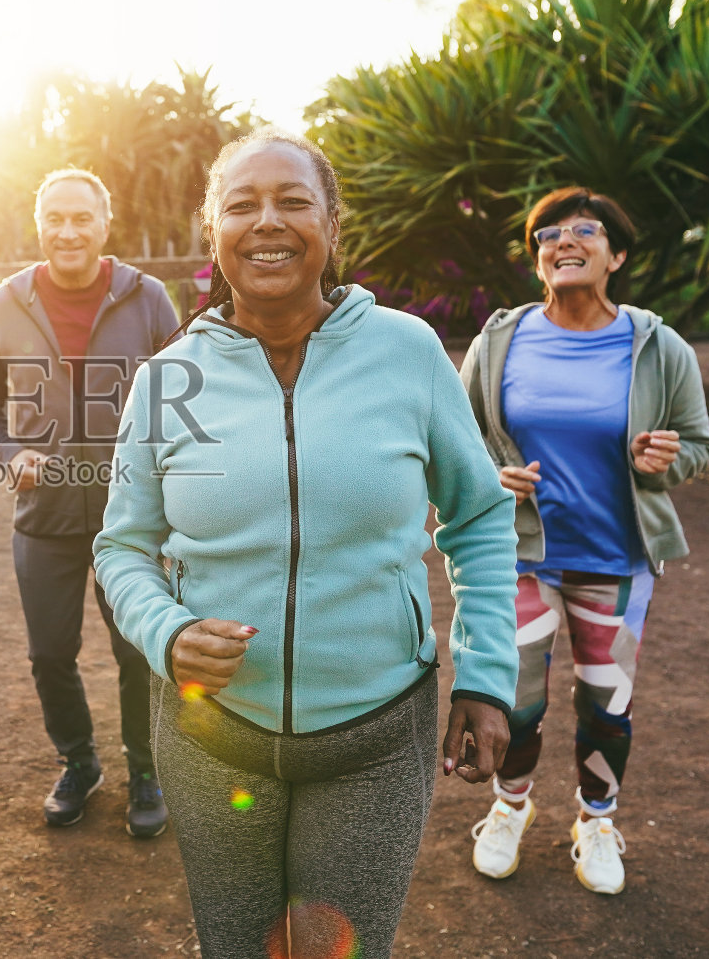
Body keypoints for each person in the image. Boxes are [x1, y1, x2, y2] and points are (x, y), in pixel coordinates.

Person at [93, 129, 520, 959]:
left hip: (374, 737)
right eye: (242, 205)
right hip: (212, 736)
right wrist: (167, 633)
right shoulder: (165, 380)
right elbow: (122, 547)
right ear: (211, 231)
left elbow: (477, 515)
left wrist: (489, 673)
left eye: (292, 201)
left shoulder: (407, 352)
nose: (268, 222)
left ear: (331, 222)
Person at [459, 187, 709, 895]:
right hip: (520, 554)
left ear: (616, 254)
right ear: (538, 259)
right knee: (518, 698)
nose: (563, 241)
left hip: (616, 558)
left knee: (607, 700)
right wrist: (489, 471)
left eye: (584, 230)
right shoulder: (500, 339)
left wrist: (667, 458)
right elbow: (455, 439)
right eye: (548, 234)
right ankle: (509, 808)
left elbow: (699, 442)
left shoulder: (657, 345)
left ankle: (596, 819)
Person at [0, 168, 180, 835]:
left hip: (133, 517)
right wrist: (8, 454)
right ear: (40, 225)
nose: (67, 231)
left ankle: (146, 770)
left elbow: (183, 397)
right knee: (49, 653)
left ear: (103, 225)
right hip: (45, 516)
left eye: (80, 217)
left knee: (137, 652)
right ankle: (80, 762)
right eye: (54, 217)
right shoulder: (6, 301)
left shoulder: (148, 298)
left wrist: (166, 481)